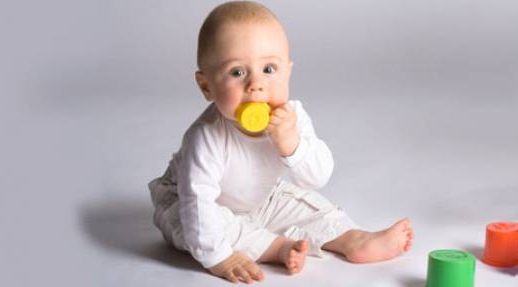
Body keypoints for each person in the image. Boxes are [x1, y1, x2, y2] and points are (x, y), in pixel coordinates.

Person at [148, 1, 414, 284]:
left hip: (260, 197)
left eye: (269, 69)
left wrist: (292, 144)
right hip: (185, 201)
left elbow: (318, 176)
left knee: (306, 203)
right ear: (207, 87)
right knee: (207, 223)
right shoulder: (206, 136)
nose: (256, 85)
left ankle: (352, 239)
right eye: (237, 72)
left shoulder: (292, 118)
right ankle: (276, 248)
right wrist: (218, 257)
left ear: (287, 72)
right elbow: (198, 201)